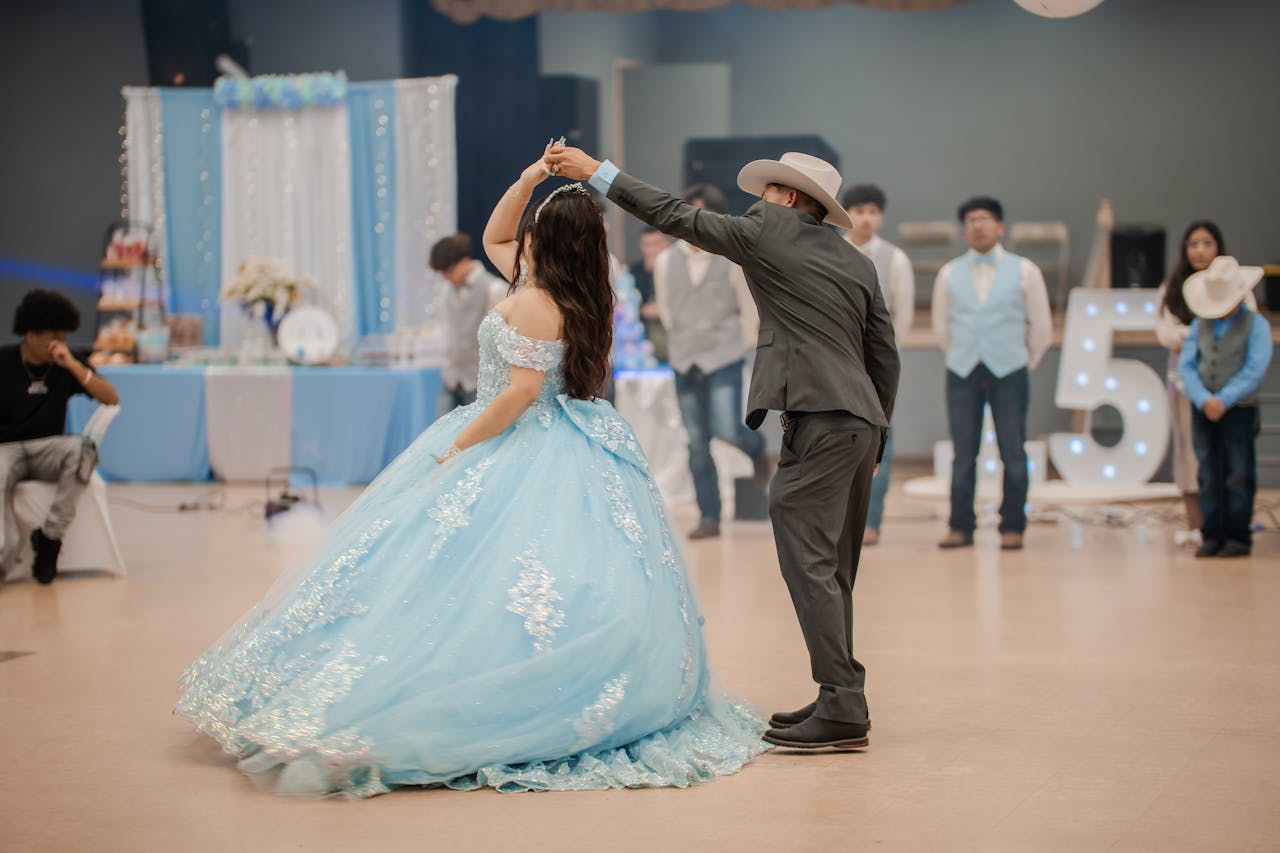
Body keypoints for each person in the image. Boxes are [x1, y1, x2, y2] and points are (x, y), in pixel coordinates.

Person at [176, 148, 766, 797]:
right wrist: (530, 178)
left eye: (538, 228)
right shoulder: (549, 281)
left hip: (514, 434)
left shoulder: (540, 299)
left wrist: (458, 446)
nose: (525, 237)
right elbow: (494, 233)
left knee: (489, 571)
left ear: (554, 244)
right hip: (523, 431)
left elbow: (517, 393)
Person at [547, 144, 899, 751]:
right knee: (835, 565)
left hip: (820, 417)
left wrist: (597, 173)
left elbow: (675, 216)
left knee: (807, 556)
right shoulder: (854, 259)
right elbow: (883, 353)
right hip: (860, 420)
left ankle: (843, 699)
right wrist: (877, 428)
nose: (754, 202)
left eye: (767, 191)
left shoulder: (769, 230)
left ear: (788, 198)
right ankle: (841, 696)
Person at [931, 196, 1052, 551]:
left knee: (1013, 451)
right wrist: (960, 354)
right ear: (963, 229)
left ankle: (1013, 526)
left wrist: (1021, 359)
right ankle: (960, 526)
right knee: (963, 453)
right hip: (962, 368)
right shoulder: (949, 272)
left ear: (999, 226)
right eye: (970, 220)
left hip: (1010, 368)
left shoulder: (1026, 270)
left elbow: (1041, 327)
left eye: (984, 219)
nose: (977, 225)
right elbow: (941, 326)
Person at [655, 183, 769, 539]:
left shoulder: (731, 256)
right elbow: (668, 309)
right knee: (696, 442)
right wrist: (686, 340)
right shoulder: (665, 260)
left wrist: (741, 344)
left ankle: (758, 449)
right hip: (684, 358)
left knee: (726, 428)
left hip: (724, 355)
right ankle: (710, 516)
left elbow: (748, 307)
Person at [1, 290, 120, 584]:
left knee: (83, 450)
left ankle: (50, 539)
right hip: (5, 448)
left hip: (48, 448)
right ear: (30, 334)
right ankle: (5, 551)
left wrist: (74, 366)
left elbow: (112, 398)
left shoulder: (67, 364)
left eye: (63, 337)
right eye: (52, 337)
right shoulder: (4, 362)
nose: (58, 344)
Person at [1177, 256, 1272, 558]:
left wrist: (1224, 399)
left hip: (1239, 408)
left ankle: (1238, 535)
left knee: (1238, 472)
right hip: (1203, 407)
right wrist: (1204, 399)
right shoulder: (1199, 325)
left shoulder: (1255, 325)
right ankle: (1211, 533)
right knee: (1208, 471)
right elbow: (1187, 365)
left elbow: (1254, 369)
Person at [1155, 221, 1243, 549]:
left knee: (1225, 453)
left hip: (1225, 382)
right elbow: (1166, 333)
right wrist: (1199, 337)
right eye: (1193, 244)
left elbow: (1239, 332)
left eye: (1207, 243)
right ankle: (1196, 524)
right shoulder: (1172, 288)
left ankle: (1229, 526)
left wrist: (1195, 337)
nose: (1200, 250)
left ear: (1218, 247)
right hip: (1183, 380)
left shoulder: (1235, 287)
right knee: (1188, 452)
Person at [842, 184, 914, 546]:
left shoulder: (895, 259)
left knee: (878, 444)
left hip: (877, 368)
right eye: (858, 210)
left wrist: (884, 360)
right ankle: (839, 518)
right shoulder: (832, 252)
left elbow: (902, 316)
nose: (865, 218)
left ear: (880, 216)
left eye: (872, 210)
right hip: (837, 366)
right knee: (839, 442)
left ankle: (871, 520)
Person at [428, 233, 510, 416]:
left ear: (464, 261)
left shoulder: (494, 288)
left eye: (448, 271)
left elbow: (505, 338)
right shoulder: (445, 290)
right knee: (442, 437)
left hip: (482, 381)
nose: (445, 278)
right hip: (452, 377)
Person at [630, 227, 670, 362]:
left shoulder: (675, 270)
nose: (651, 250)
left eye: (656, 244)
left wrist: (663, 309)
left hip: (670, 339)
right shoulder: (634, 272)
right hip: (640, 339)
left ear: (666, 244)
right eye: (647, 245)